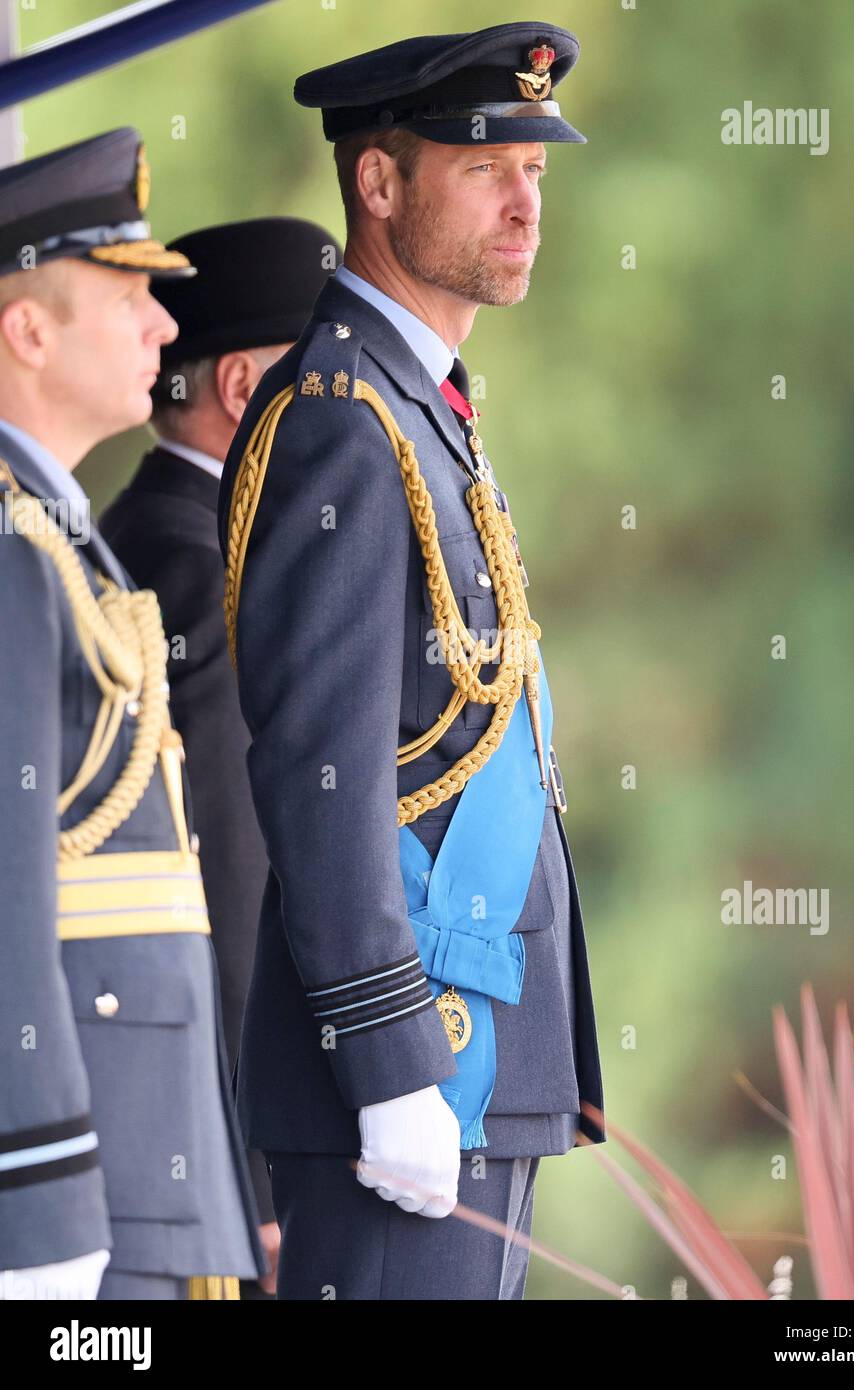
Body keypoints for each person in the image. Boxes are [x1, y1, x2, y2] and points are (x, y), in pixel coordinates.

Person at [217, 21, 605, 1300]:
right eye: (484, 165)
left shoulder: (414, 401)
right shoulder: (341, 419)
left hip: (475, 1057)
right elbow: (317, 769)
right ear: (376, 185)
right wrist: (390, 1067)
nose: (523, 201)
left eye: (537, 171)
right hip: (414, 1068)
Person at [0, 127, 266, 1301]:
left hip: (150, 1166)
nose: (166, 329)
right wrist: (38, 1200)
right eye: (131, 293)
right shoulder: (15, 557)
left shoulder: (71, 548)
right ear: (28, 329)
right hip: (80, 1183)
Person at [99, 216, 343, 1298]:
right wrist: (257, 1169)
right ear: (244, 388)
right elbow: (226, 872)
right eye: (323, 378)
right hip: (224, 1147)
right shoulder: (192, 565)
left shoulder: (173, 536)